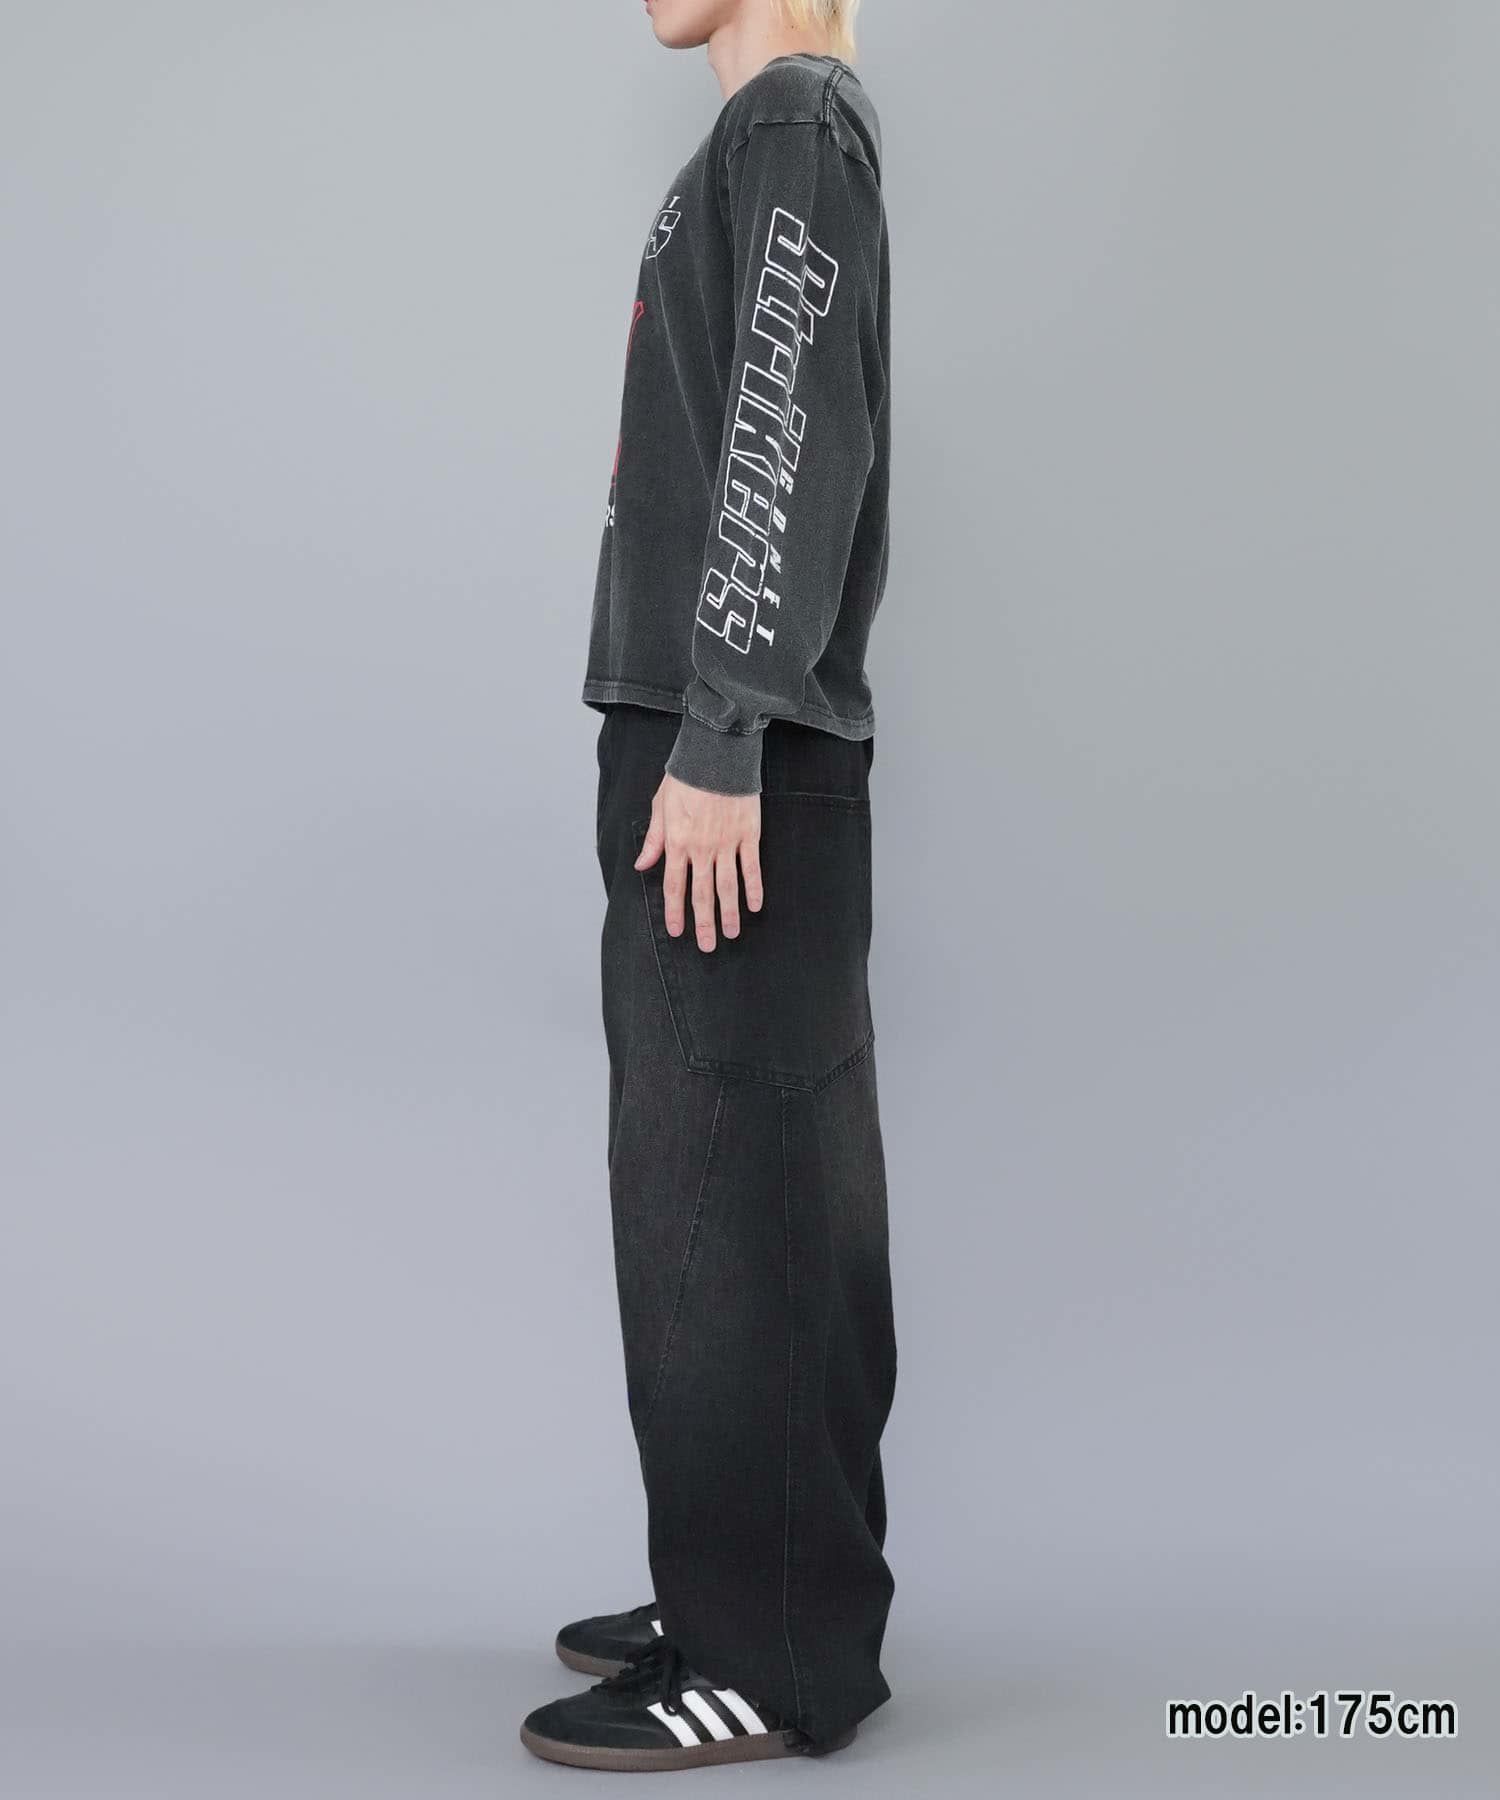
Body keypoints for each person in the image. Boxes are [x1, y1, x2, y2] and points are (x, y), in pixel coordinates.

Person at [521, 0, 896, 1772]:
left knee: (736, 1195)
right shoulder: (766, 136)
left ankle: (770, 1652)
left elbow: (788, 435)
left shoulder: (794, 122)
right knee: (711, 1186)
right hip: (701, 739)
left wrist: (725, 729)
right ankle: (741, 1588)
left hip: (724, 756)